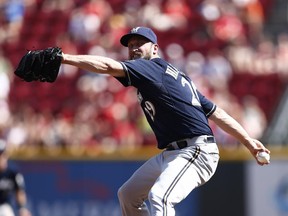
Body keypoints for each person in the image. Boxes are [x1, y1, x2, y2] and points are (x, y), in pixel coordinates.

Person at [61, 26, 270, 216]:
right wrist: (248, 141)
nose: (133, 49)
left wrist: (64, 58)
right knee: (128, 195)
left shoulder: (151, 69)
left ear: (154, 49)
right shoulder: (173, 76)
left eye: (139, 44)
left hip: (196, 151)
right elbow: (216, 113)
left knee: (161, 196)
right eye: (130, 45)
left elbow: (107, 66)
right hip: (174, 152)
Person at [0, 139, 31, 216]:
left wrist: (22, 208)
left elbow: (19, 192)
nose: (2, 158)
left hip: (4, 206)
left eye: (3, 154)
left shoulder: (12, 172)